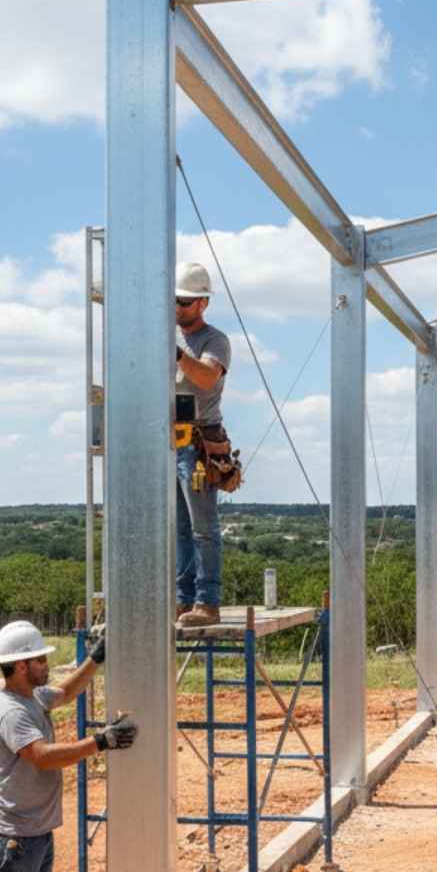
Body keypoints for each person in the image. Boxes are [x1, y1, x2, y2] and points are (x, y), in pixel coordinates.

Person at [0, 620, 137, 872]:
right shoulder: (11, 712)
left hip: (34, 831)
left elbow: (66, 692)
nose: (47, 664)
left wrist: (96, 658)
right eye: (40, 660)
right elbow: (41, 756)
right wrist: (101, 741)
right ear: (21, 666)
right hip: (16, 836)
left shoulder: (34, 697)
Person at [174, 260, 232, 628]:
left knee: (203, 528)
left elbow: (208, 378)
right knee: (177, 528)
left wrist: (177, 353)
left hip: (197, 443)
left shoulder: (214, 340)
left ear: (202, 303)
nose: (178, 308)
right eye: (175, 301)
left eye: (185, 302)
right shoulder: (169, 335)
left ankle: (206, 602)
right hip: (166, 439)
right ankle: (183, 601)